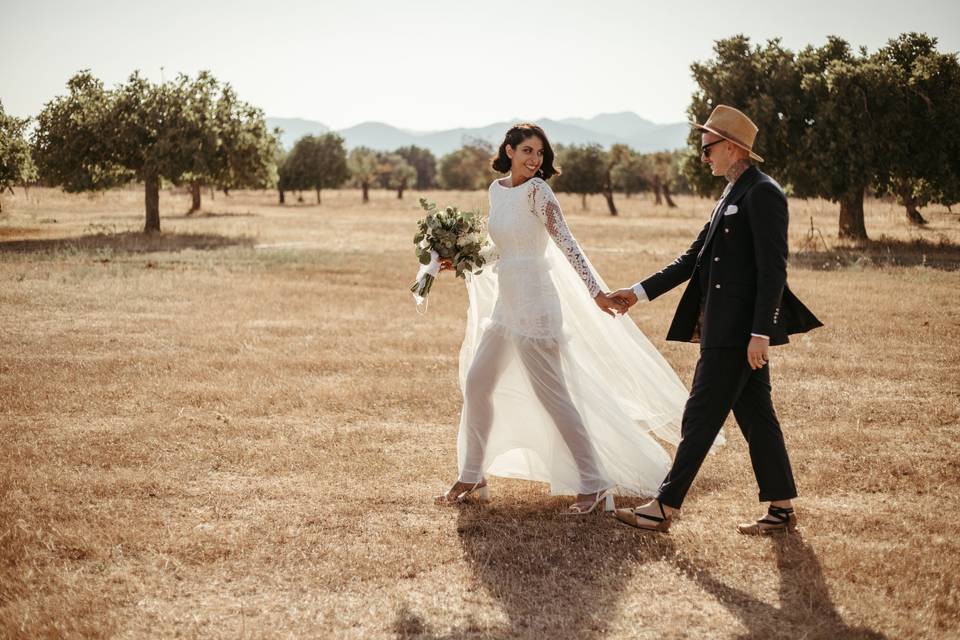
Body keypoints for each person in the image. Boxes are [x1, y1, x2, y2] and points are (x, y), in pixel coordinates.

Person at [434, 123, 699, 514]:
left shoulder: (539, 192)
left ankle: (592, 484)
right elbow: (503, 249)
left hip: (537, 305)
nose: (534, 159)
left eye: (539, 153)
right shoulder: (496, 191)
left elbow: (567, 243)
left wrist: (597, 293)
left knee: (554, 398)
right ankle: (473, 473)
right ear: (508, 150)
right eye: (526, 150)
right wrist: (460, 260)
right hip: (506, 306)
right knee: (477, 383)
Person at [609, 105, 823, 534]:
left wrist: (760, 332)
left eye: (708, 148)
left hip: (738, 334)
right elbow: (692, 259)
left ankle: (665, 506)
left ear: (731, 148)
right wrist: (636, 293)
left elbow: (773, 270)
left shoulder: (763, 192)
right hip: (721, 328)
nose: (703, 156)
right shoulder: (730, 192)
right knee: (758, 418)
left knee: (699, 417)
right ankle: (781, 508)